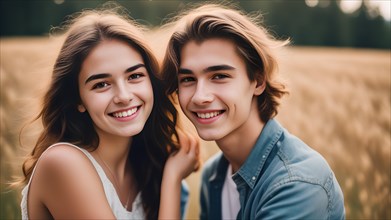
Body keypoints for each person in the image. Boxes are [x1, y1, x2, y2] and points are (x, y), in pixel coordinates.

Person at [162, 3, 345, 220]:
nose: (200, 96)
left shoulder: (297, 185)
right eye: (188, 79)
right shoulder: (214, 175)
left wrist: (171, 181)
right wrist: (172, 178)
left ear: (258, 81)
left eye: (219, 76)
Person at [18, 7, 199, 220]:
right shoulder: (63, 163)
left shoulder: (146, 167)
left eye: (134, 76)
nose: (123, 96)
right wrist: (173, 179)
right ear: (77, 99)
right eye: (101, 84)